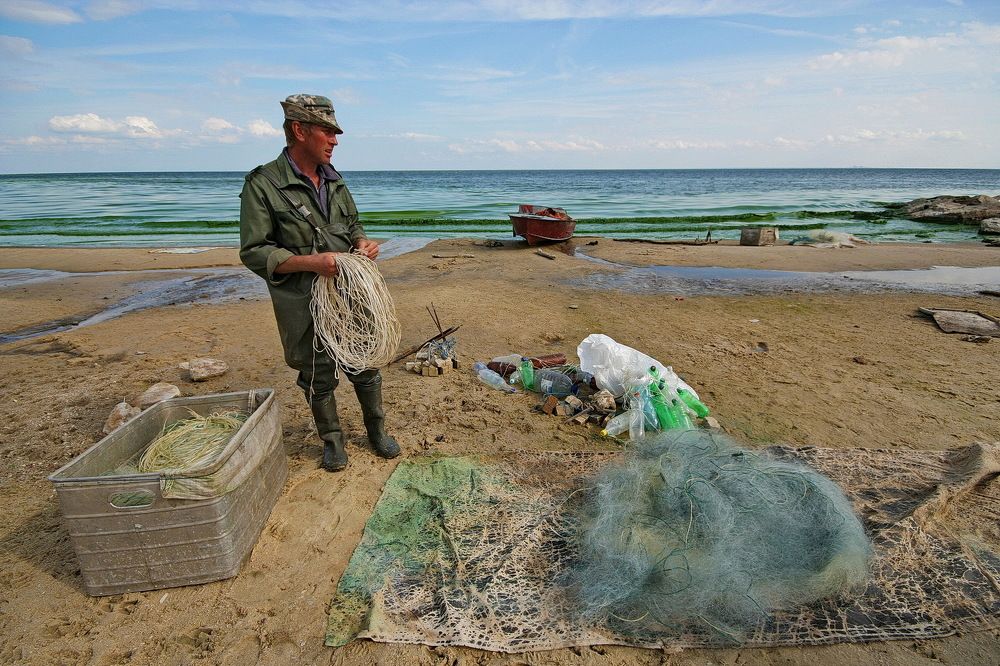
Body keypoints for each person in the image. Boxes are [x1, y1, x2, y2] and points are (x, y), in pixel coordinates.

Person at [239, 94, 400, 472]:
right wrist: (310, 262)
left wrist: (363, 243)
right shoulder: (263, 185)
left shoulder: (335, 180)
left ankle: (376, 431)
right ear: (299, 130)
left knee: (364, 363)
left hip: (349, 293)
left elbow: (353, 224)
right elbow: (254, 251)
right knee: (316, 371)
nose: (335, 140)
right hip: (301, 299)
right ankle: (332, 440)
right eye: (327, 132)